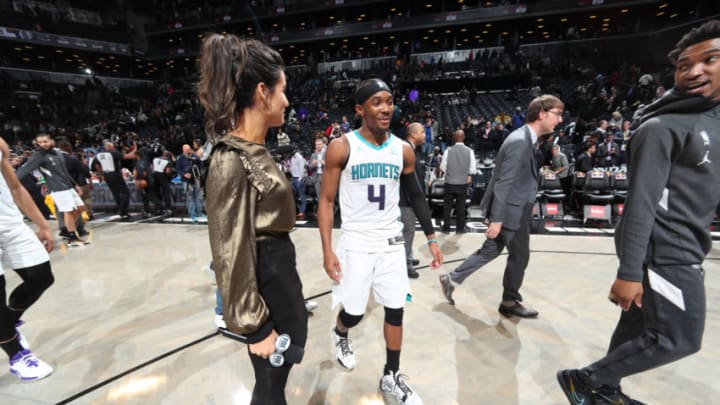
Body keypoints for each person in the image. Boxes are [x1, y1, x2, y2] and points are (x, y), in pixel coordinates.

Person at [557, 20, 720, 404]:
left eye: (709, 59)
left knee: (638, 325)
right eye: (684, 65)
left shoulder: (711, 118)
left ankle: (605, 389)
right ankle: (586, 381)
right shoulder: (661, 128)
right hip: (666, 250)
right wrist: (629, 272)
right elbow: (640, 204)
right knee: (678, 338)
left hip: (685, 244)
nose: (694, 71)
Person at [318, 78, 443, 405]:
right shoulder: (341, 147)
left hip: (391, 242)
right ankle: (341, 332)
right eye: (377, 102)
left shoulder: (403, 149)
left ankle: (391, 375)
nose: (386, 107)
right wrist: (328, 249)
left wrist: (431, 238)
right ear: (360, 109)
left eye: (389, 101)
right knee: (356, 313)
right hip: (356, 243)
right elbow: (326, 201)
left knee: (396, 310)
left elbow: (416, 195)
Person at [198, 34, 307, 405]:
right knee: (269, 389)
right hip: (264, 290)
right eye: (282, 91)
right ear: (262, 92)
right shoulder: (231, 157)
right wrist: (255, 325)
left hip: (278, 277)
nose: (287, 101)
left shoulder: (256, 150)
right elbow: (229, 251)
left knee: (274, 386)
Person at [439, 94, 564, 317]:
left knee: (504, 252)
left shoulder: (527, 139)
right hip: (510, 211)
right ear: (542, 114)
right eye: (557, 114)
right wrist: (497, 219)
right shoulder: (519, 141)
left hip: (514, 209)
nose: (560, 120)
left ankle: (459, 280)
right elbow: (504, 183)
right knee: (507, 253)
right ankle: (506, 300)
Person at [0, 136, 55, 381]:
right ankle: (17, 356)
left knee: (40, 277)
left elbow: (14, 187)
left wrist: (42, 223)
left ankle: (8, 322)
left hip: (10, 223)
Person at [16, 134, 89, 246]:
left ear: (51, 141)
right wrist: (12, 182)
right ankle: (72, 238)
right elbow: (24, 170)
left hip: (68, 186)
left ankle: (67, 231)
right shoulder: (38, 156)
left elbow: (64, 172)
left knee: (80, 208)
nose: (42, 144)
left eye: (45, 141)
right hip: (57, 188)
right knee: (68, 211)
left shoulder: (58, 153)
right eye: (40, 142)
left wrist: (75, 185)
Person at [399, 122, 429, 279]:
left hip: (408, 200)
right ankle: (405, 264)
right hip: (406, 201)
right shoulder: (406, 149)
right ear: (414, 134)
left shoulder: (410, 149)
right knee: (407, 232)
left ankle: (408, 257)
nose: (425, 135)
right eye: (423, 132)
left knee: (409, 232)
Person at [440, 129, 476, 234]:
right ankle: (460, 229)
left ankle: (446, 228)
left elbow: (442, 167)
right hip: (462, 183)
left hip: (450, 183)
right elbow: (472, 168)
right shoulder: (470, 151)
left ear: (454, 138)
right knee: (460, 207)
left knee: (447, 207)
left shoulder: (448, 151)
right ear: (464, 138)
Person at [92, 139, 136, 220]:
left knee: (116, 193)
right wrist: (135, 149)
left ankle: (120, 210)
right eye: (113, 146)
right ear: (111, 147)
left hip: (107, 175)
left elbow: (96, 165)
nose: (114, 147)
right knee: (125, 193)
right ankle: (124, 212)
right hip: (115, 174)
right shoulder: (113, 153)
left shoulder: (99, 154)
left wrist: (102, 174)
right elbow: (128, 156)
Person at [176, 144, 205, 222]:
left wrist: (198, 170)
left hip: (196, 179)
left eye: (189, 149)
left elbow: (201, 164)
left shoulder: (194, 156)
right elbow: (178, 169)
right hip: (186, 180)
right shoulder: (180, 158)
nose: (188, 150)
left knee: (198, 196)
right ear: (183, 150)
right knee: (190, 197)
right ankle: (192, 213)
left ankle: (200, 212)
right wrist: (184, 174)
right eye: (187, 149)